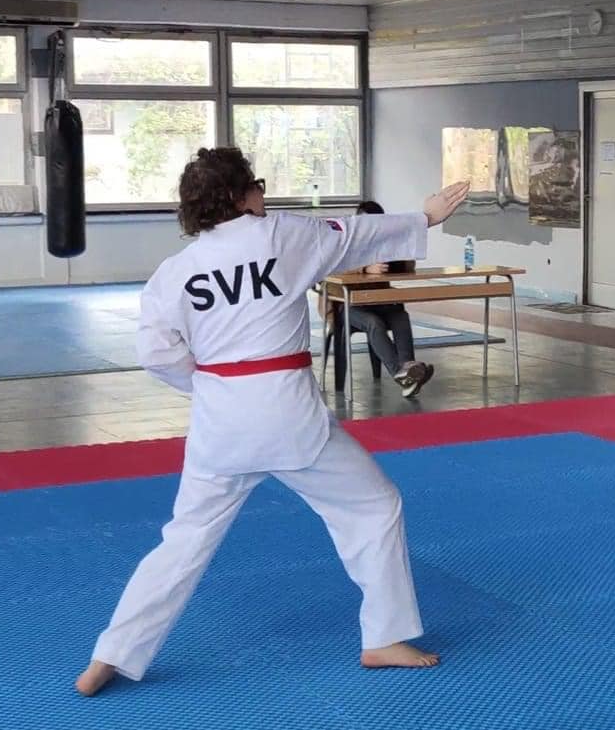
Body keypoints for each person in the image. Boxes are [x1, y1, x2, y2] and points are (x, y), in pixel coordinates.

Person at [74, 147, 469, 697]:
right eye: (256, 185)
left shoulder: (174, 273)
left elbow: (156, 355)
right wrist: (423, 217)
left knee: (183, 540)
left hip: (220, 425)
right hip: (290, 418)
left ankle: (111, 655)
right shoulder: (282, 235)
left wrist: (209, 385)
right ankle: (384, 636)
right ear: (240, 196)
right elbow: (354, 235)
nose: (264, 193)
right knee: (374, 507)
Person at [328, 200, 434, 398]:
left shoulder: (384, 242)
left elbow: (408, 268)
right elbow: (332, 267)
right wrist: (364, 268)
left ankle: (409, 367)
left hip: (377, 301)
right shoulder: (345, 240)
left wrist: (402, 252)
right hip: (346, 305)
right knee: (374, 323)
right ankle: (401, 375)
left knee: (400, 316)